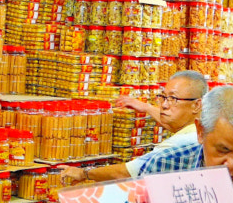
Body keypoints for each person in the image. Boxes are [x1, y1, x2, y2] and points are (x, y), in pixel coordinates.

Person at [57, 70, 207, 186]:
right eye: (163, 97)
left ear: (196, 105)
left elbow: (126, 172)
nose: (164, 105)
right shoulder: (202, 130)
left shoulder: (178, 143)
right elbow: (171, 120)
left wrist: (83, 173)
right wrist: (146, 107)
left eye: (173, 99)